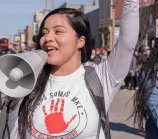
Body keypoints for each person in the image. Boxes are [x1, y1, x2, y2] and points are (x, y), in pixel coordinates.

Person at [0, 0, 139, 138]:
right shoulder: (23, 78)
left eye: (58, 31)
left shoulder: (101, 78)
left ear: (80, 41)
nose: (47, 38)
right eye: (44, 33)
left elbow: (127, 43)